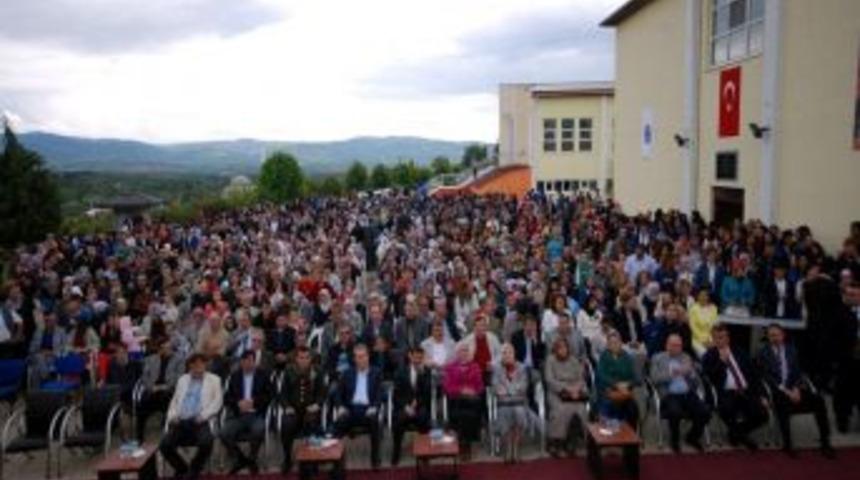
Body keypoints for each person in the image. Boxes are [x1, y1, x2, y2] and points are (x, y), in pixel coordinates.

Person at [756, 324, 834, 458]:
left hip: (794, 387)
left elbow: (798, 372)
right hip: (778, 390)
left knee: (819, 401)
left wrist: (797, 388)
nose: (774, 338)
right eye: (771, 335)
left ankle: (825, 443)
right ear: (767, 337)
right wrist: (787, 391)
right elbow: (766, 377)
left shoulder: (791, 349)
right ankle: (787, 444)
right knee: (782, 403)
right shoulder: (763, 353)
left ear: (783, 335)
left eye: (777, 335)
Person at [702, 325, 767, 450]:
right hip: (726, 392)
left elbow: (754, 375)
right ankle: (743, 437)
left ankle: (736, 432)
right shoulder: (709, 355)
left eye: (723, 337)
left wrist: (762, 394)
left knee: (763, 415)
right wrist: (721, 362)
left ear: (728, 338)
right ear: (713, 339)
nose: (720, 340)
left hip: (746, 390)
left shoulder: (740, 351)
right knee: (726, 409)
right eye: (717, 338)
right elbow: (709, 377)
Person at [159, 353, 223, 479]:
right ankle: (182, 468)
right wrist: (173, 416)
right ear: (190, 366)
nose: (198, 366)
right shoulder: (182, 379)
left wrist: (203, 416)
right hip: (181, 420)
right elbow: (174, 402)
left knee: (206, 442)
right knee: (164, 445)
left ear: (205, 365)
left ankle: (194, 469)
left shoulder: (214, 380)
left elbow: (217, 402)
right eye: (195, 364)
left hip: (200, 420)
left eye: (201, 363)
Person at [650, 334, 711, 453]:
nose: (677, 348)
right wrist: (672, 374)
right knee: (675, 412)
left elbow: (696, 381)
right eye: (674, 345)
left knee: (705, 412)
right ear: (667, 345)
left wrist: (690, 373)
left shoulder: (686, 357)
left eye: (679, 346)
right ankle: (675, 439)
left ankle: (692, 437)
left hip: (687, 392)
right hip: (670, 394)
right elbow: (654, 378)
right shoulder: (657, 358)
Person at [220, 350, 273, 474]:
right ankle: (240, 459)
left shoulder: (263, 375)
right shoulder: (235, 376)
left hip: (256, 414)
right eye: (245, 361)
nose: (249, 363)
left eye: (251, 361)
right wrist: (238, 403)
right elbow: (227, 397)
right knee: (224, 433)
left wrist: (254, 402)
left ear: (255, 362)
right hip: (238, 415)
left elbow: (269, 395)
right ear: (241, 362)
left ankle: (252, 458)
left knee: (259, 430)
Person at [334, 343, 384, 469]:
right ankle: (336, 459)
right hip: (350, 409)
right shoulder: (347, 373)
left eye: (363, 356)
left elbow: (379, 394)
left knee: (374, 421)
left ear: (368, 357)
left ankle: (375, 457)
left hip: (368, 410)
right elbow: (338, 394)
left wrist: (375, 407)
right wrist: (340, 407)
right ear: (354, 359)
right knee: (338, 422)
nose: (361, 359)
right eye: (358, 357)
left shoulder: (376, 372)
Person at [279, 346, 325, 474]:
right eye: (301, 358)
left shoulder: (318, 371)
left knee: (312, 423)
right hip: (293, 410)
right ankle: (287, 458)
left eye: (306, 358)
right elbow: (283, 394)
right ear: (296, 359)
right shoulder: (289, 371)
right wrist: (286, 406)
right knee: (286, 424)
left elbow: (322, 393)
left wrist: (317, 404)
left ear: (310, 359)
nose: (304, 360)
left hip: (311, 410)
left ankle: (312, 459)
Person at [492, 343, 537, 463]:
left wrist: (507, 391)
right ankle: (508, 447)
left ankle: (516, 447)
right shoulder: (497, 369)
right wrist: (512, 391)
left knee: (519, 411)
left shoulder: (521, 368)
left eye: (509, 352)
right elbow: (496, 386)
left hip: (519, 402)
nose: (507, 355)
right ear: (501, 355)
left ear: (514, 354)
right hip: (504, 403)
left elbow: (524, 385)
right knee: (506, 412)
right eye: (504, 353)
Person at [544, 337, 588, 457]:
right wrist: (566, 389)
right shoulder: (550, 360)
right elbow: (549, 380)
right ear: (555, 349)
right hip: (557, 392)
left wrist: (577, 389)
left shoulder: (573, 360)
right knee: (561, 409)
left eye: (565, 347)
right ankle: (556, 443)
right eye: (560, 348)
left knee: (580, 409)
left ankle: (572, 441)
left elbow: (581, 378)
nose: (563, 350)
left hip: (574, 391)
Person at [137, 339, 185, 442]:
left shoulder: (179, 360)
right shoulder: (150, 359)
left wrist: (165, 386)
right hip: (153, 390)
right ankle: (139, 437)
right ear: (160, 349)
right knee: (142, 404)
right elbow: (144, 376)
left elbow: (180, 377)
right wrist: (151, 386)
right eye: (164, 348)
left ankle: (168, 433)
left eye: (169, 348)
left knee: (166, 398)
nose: (166, 350)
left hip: (168, 390)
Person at [391, 347, 433, 466]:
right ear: (410, 356)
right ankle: (396, 451)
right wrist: (406, 406)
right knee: (398, 420)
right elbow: (396, 394)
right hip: (403, 406)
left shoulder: (426, 372)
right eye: (416, 357)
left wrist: (416, 403)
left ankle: (424, 453)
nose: (418, 360)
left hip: (419, 405)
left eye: (420, 358)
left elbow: (427, 394)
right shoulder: (400, 371)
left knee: (424, 417)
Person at [442, 342, 484, 459]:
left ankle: (465, 444)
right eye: (461, 350)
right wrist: (461, 390)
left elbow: (480, 386)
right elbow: (447, 387)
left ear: (469, 353)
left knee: (471, 410)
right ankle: (463, 444)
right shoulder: (450, 367)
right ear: (457, 353)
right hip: (456, 400)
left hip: (471, 400)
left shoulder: (475, 366)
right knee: (462, 411)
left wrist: (472, 391)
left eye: (466, 350)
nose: (464, 353)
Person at [595, 331, 639, 430]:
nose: (614, 345)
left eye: (616, 342)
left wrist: (627, 384)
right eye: (611, 343)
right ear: (607, 345)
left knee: (633, 409)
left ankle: (631, 441)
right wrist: (616, 385)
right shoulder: (604, 357)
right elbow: (601, 376)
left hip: (625, 392)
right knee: (610, 405)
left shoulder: (627, 357)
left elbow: (635, 377)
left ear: (621, 343)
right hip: (609, 391)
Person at [689, 290, 718, 357]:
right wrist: (704, 341)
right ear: (698, 297)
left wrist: (712, 340)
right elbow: (693, 328)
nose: (703, 297)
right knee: (705, 355)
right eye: (701, 295)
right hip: (697, 339)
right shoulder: (693, 309)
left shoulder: (714, 308)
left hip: (712, 339)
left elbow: (715, 325)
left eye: (705, 295)